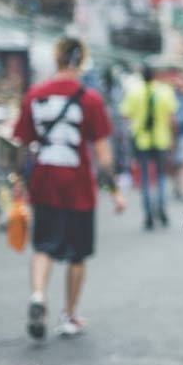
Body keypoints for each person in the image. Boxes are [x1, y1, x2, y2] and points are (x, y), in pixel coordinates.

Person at [13, 37, 125, 340]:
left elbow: (22, 146)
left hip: (44, 182)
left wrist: (20, 182)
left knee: (43, 245)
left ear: (57, 58)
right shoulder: (90, 99)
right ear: (81, 60)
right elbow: (103, 155)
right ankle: (69, 314)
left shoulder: (34, 95)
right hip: (77, 186)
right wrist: (115, 191)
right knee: (77, 253)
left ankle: (38, 295)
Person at [121, 65, 178, 229]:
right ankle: (161, 209)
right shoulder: (165, 91)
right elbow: (171, 118)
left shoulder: (134, 92)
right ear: (154, 76)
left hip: (141, 141)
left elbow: (125, 114)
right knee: (160, 177)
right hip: (161, 140)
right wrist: (173, 139)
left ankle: (148, 215)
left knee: (145, 178)